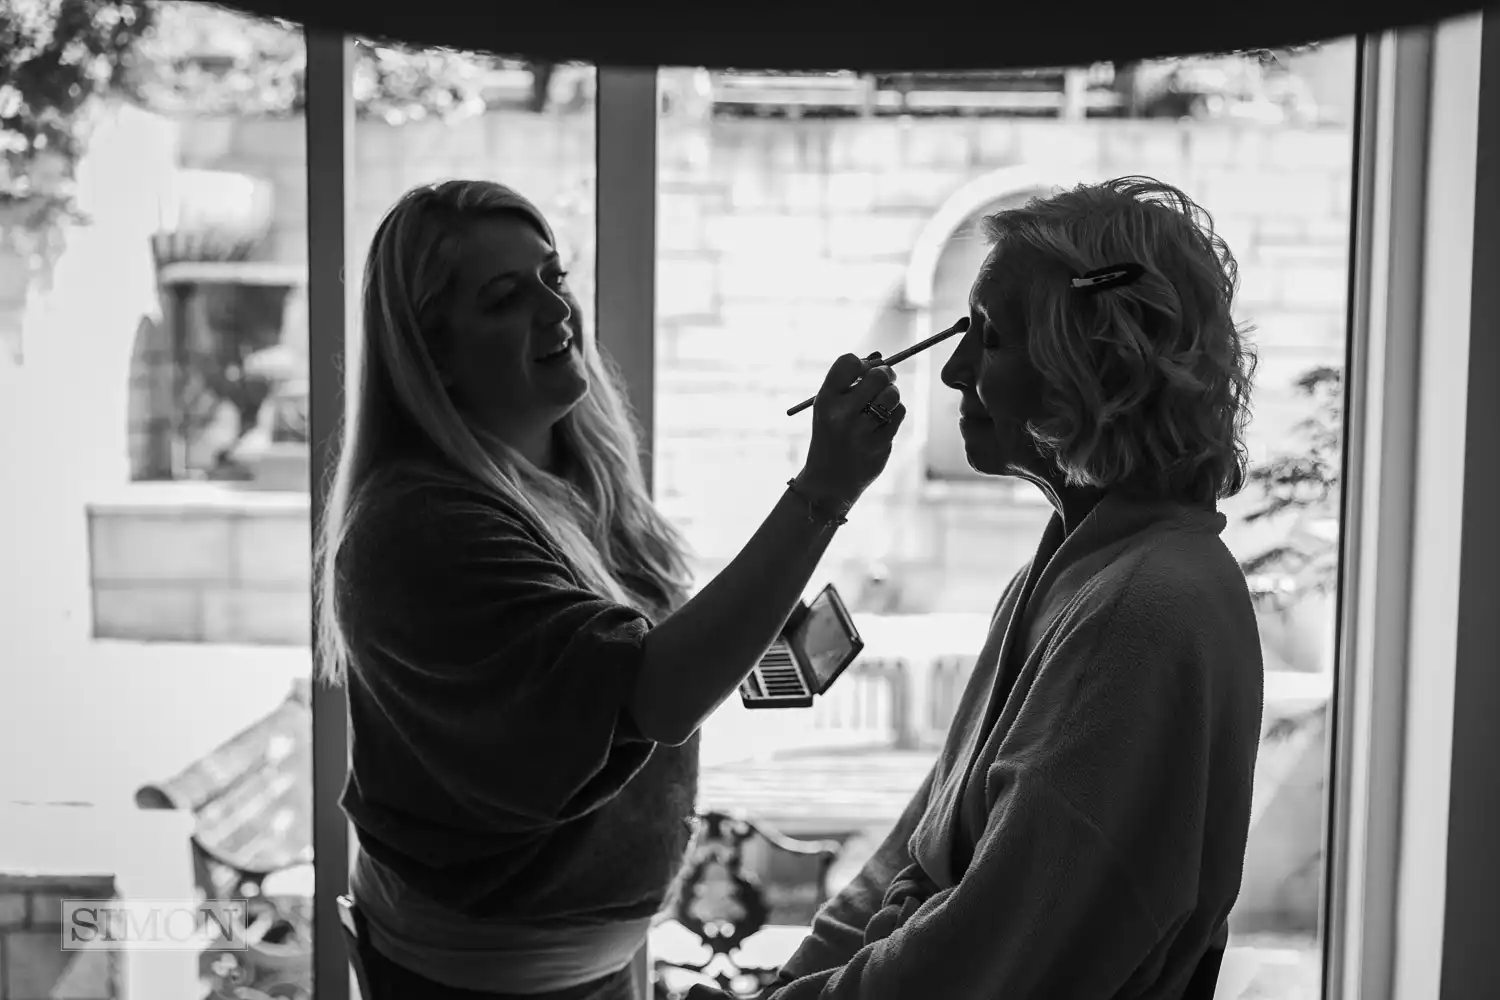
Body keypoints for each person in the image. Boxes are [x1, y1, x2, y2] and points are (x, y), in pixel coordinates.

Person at [315, 179, 907, 1000]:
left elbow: (626, 667)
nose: (556, 312)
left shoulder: (575, 473)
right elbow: (652, 696)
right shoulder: (421, 526)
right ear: (433, 353)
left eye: (553, 279)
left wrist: (747, 647)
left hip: (593, 956)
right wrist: (822, 494)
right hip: (484, 977)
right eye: (504, 298)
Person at [741, 176, 1266, 1000]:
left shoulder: (1145, 610)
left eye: (987, 338)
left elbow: (982, 959)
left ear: (1091, 364)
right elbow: (911, 852)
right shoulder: (1066, 569)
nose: (952, 371)